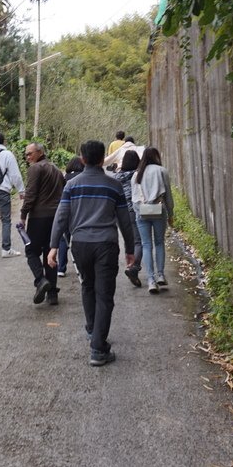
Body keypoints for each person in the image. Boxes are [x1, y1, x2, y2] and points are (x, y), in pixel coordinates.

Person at [48, 140, 135, 367]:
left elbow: (61, 217)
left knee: (87, 286)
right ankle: (98, 348)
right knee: (104, 295)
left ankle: (92, 329)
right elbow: (125, 222)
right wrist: (130, 250)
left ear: (83, 159)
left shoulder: (71, 186)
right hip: (106, 244)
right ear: (101, 160)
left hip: (80, 244)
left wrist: (54, 246)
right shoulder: (113, 186)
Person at [19, 143, 65, 305]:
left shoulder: (35, 169)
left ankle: (40, 280)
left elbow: (30, 194)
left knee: (31, 251)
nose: (27, 157)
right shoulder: (56, 170)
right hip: (55, 218)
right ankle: (52, 294)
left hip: (39, 217)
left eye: (30, 153)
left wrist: (23, 215)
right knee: (50, 253)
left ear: (40, 152)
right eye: (26, 155)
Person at [132, 146, 175, 294]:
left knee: (146, 245)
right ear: (156, 157)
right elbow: (168, 195)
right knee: (159, 242)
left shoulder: (137, 174)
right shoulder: (162, 171)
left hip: (142, 213)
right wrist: (171, 213)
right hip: (159, 211)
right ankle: (161, 275)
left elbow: (134, 199)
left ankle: (150, 280)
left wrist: (140, 212)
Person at [113, 149, 144, 287]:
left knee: (128, 238)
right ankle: (134, 267)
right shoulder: (139, 175)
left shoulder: (116, 177)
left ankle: (130, 264)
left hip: (119, 212)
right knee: (138, 241)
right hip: (134, 210)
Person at [56, 155, 84, 278]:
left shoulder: (65, 177)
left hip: (67, 210)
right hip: (80, 212)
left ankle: (61, 268)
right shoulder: (83, 177)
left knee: (64, 239)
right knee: (79, 238)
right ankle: (81, 266)